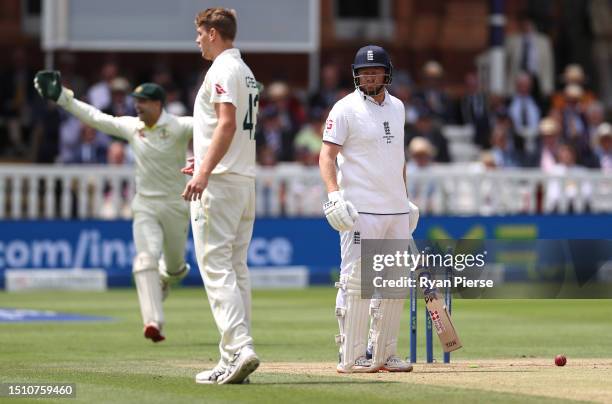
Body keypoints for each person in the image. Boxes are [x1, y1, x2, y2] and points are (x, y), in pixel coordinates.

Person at [34, 73, 193, 343]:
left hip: (176, 205)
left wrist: (246, 106)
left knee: (176, 267)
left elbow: (217, 126)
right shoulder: (133, 127)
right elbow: (96, 118)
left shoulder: (179, 126)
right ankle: (153, 322)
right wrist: (62, 96)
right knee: (145, 258)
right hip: (145, 205)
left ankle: (166, 278)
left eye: (142, 101)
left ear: (158, 104)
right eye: (136, 101)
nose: (137, 106)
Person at [319, 45, 418, 374]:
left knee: (394, 285)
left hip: (395, 211)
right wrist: (334, 195)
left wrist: (404, 199)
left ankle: (384, 353)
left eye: (374, 71)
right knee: (356, 283)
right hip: (360, 210)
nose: (369, 76)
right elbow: (327, 156)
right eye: (363, 72)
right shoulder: (345, 108)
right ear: (356, 74)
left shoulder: (399, 107)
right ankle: (350, 355)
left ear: (387, 73)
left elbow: (398, 159)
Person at [180, 7, 260, 385]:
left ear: (213, 33)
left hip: (222, 184)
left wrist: (204, 172)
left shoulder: (223, 70)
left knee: (215, 269)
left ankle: (240, 347)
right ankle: (232, 356)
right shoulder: (245, 71)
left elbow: (227, 123)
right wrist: (202, 160)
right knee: (236, 269)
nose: (196, 40)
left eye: (199, 33)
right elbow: (224, 129)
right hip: (243, 181)